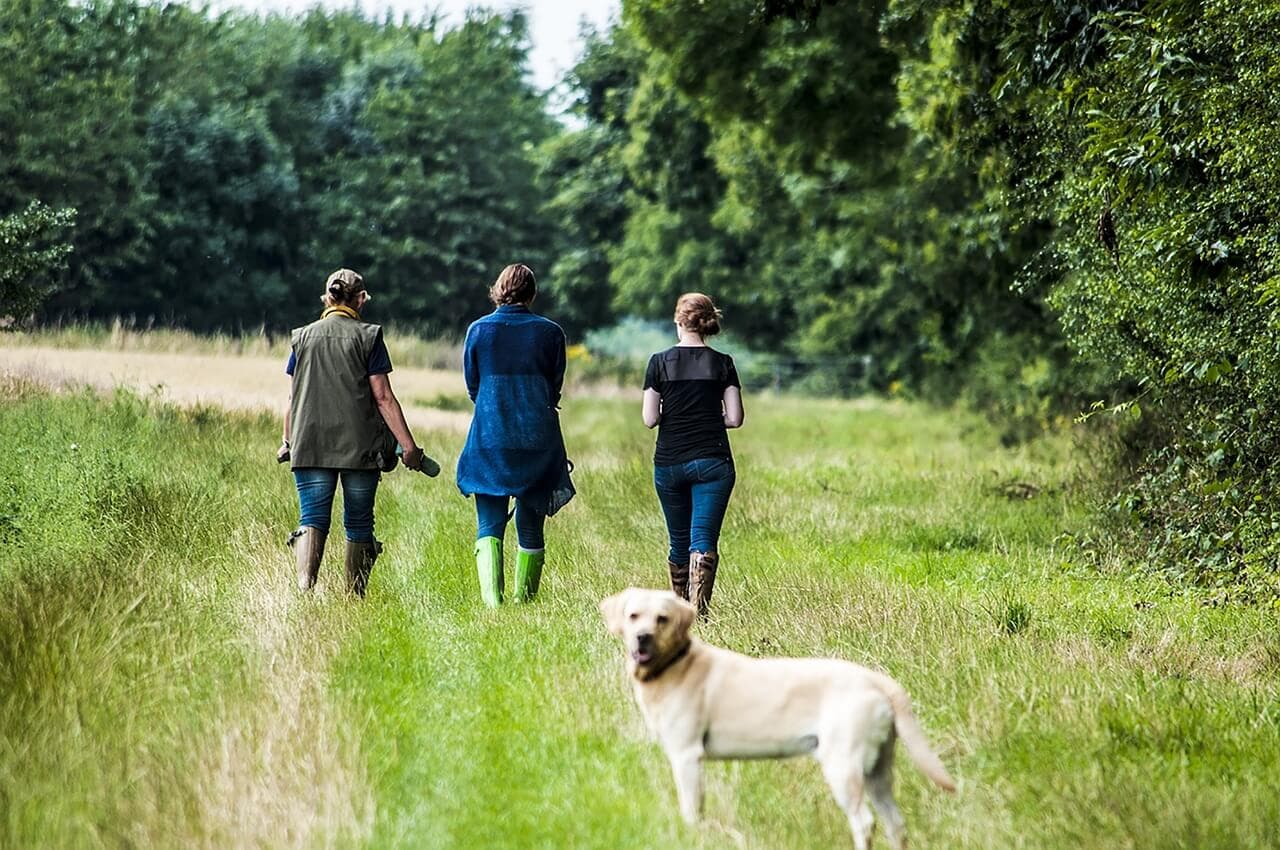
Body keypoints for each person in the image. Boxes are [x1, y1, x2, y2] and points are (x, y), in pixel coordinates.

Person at [279, 268, 424, 597]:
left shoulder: (301, 337)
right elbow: (383, 397)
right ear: (360, 299)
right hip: (360, 448)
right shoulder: (369, 336)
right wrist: (409, 447)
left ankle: (304, 587)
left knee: (313, 516)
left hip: (310, 442)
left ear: (326, 297)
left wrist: (287, 441)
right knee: (358, 520)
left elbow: (293, 396)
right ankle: (354, 596)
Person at [455, 263, 574, 607]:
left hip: (490, 436)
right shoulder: (551, 332)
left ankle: (493, 602)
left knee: (489, 521)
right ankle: (524, 601)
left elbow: (473, 386)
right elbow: (555, 386)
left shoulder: (478, 330)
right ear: (532, 293)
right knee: (532, 521)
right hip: (538, 437)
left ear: (498, 289)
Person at [642, 293, 744, 616]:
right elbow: (736, 418)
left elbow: (649, 419)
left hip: (670, 461)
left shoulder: (659, 362)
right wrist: (710, 418)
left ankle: (679, 612)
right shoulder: (723, 363)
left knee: (678, 541)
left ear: (678, 322)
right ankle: (699, 613)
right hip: (714, 461)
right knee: (703, 539)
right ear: (708, 324)